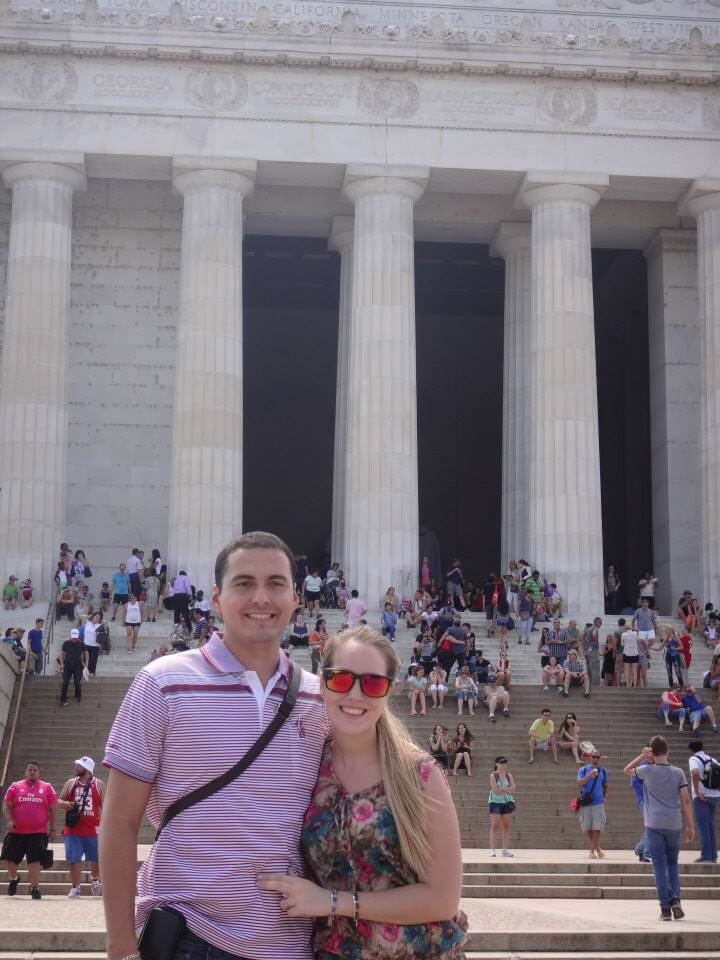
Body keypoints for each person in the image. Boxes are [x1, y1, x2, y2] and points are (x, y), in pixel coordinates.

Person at [101, 532, 331, 960]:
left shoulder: (320, 698)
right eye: (243, 584)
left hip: (291, 942)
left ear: (296, 598)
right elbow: (118, 820)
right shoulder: (162, 682)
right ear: (216, 598)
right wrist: (120, 947)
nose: (261, 597)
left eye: (276, 584)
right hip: (189, 934)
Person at [258, 626, 467, 958]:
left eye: (372, 683)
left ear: (388, 691)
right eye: (341, 679)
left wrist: (331, 902)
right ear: (322, 684)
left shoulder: (420, 774)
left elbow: (442, 900)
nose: (355, 695)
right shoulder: (308, 767)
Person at [624, 735, 694, 921]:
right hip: (674, 823)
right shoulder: (678, 772)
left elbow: (627, 770)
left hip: (654, 823)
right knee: (672, 864)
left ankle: (665, 909)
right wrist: (690, 825)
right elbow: (686, 799)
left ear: (652, 753)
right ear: (668, 751)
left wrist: (642, 756)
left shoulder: (647, 770)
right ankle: (676, 899)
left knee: (659, 867)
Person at [2, 761, 58, 899]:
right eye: (30, 769)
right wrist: (9, 820)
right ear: (25, 772)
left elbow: (53, 810)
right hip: (16, 832)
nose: (32, 772)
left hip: (37, 832)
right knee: (9, 860)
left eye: (35, 770)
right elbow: (6, 805)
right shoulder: (15, 787)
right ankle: (14, 879)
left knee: (34, 861)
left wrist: (53, 829)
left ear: (39, 772)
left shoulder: (47, 788)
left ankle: (34, 888)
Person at [59, 757, 104, 898]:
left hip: (93, 828)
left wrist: (105, 825)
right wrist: (64, 804)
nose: (76, 767)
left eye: (80, 766)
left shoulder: (99, 784)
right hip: (73, 828)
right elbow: (59, 800)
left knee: (96, 858)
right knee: (74, 858)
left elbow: (105, 806)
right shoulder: (71, 783)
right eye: (77, 765)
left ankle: (95, 880)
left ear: (88, 768)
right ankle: (76, 887)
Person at [688, 739, 720, 863]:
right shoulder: (712, 759)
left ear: (691, 749)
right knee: (710, 825)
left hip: (701, 796)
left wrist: (697, 791)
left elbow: (695, 773)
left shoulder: (693, 759)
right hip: (714, 795)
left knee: (703, 826)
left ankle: (706, 855)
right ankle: (713, 855)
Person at [576, 749, 608, 858]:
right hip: (586, 802)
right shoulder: (583, 770)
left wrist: (604, 796)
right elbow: (579, 783)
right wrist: (589, 775)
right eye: (594, 756)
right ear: (590, 757)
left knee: (597, 827)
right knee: (587, 827)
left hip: (598, 802)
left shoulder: (603, 771)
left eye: (598, 757)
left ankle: (591, 851)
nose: (596, 759)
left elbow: (605, 785)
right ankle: (597, 848)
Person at [488, 756, 515, 858]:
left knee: (506, 826)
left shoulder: (509, 775)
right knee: (495, 825)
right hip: (495, 802)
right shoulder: (493, 776)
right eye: (501, 762)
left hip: (507, 802)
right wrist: (507, 789)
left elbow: (514, 789)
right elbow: (496, 791)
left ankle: (505, 850)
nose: (503, 764)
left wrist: (503, 789)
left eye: (505, 762)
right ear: (496, 764)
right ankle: (492, 849)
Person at [60, 628, 87, 706]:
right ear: (70, 636)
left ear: (78, 636)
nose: (74, 638)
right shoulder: (66, 643)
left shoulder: (82, 643)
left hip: (78, 664)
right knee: (65, 682)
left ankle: (78, 695)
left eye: (75, 637)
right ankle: (63, 699)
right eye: (73, 637)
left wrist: (86, 663)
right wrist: (61, 664)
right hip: (68, 664)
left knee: (77, 682)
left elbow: (86, 653)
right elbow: (62, 654)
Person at [621, 623, 641, 688]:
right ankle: (634, 684)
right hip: (635, 653)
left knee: (627, 671)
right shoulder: (635, 633)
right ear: (631, 627)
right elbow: (637, 642)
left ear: (625, 628)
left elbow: (622, 644)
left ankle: (627, 685)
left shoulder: (623, 634)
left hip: (626, 653)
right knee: (634, 671)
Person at [83, 611, 102, 677]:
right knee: (85, 659)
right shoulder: (87, 623)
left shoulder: (100, 625)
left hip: (95, 645)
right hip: (86, 644)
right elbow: (81, 617)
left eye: (99, 617)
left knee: (93, 660)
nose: (97, 618)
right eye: (96, 617)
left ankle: (92, 672)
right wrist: (88, 616)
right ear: (93, 617)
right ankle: (85, 671)